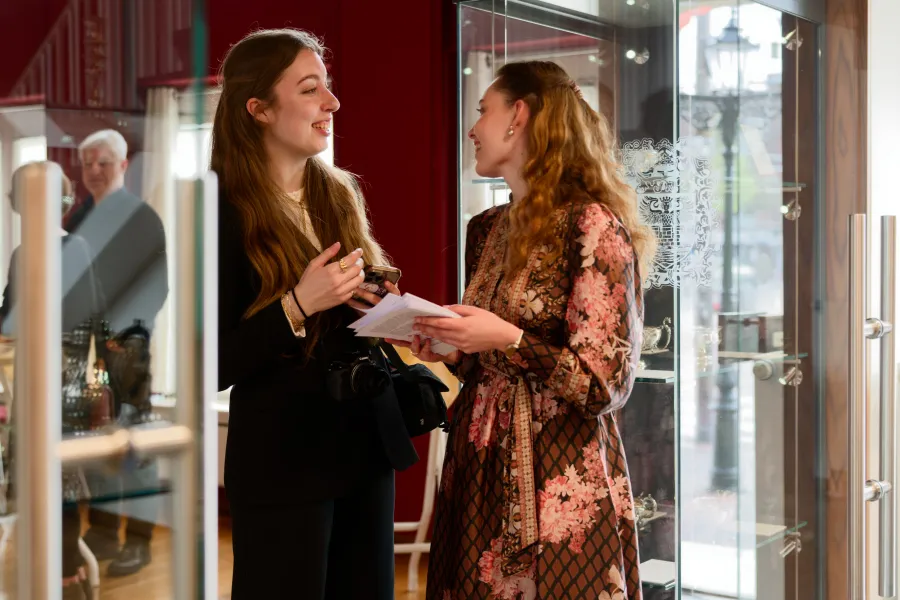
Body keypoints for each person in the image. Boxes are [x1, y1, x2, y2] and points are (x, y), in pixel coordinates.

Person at [405, 61, 655, 599]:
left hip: (557, 479)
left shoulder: (592, 226)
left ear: (519, 115)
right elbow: (485, 357)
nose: (473, 129)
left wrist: (507, 338)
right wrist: (450, 347)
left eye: (482, 111)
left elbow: (604, 385)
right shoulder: (486, 228)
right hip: (477, 471)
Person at [213, 28, 417, 600]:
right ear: (258, 109)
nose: (332, 103)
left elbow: (352, 320)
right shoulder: (215, 209)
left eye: (327, 87)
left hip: (362, 440)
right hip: (284, 459)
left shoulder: (339, 193)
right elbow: (215, 364)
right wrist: (300, 303)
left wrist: (388, 309)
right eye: (311, 89)